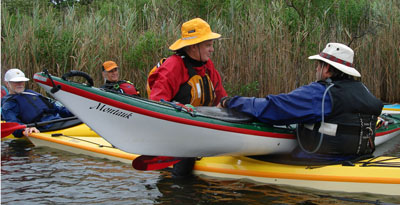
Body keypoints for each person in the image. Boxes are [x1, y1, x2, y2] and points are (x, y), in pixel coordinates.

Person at [220, 43, 383, 162]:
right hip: (359, 158)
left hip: (322, 161)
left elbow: (274, 107)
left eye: (318, 66)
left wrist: (231, 102)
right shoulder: (363, 90)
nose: (315, 69)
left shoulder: (320, 93)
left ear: (326, 69)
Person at [147, 18, 228, 177]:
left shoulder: (207, 65)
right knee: (185, 165)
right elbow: (156, 104)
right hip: (176, 132)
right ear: (193, 46)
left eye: (212, 45)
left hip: (201, 128)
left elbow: (221, 97)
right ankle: (178, 188)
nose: (212, 49)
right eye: (208, 45)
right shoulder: (173, 66)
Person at [2, 68, 75, 138]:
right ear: (7, 83)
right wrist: (24, 129)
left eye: (22, 81)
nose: (20, 84)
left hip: (58, 120)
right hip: (45, 127)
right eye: (16, 82)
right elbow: (13, 124)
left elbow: (57, 109)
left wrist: (75, 112)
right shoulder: (8, 104)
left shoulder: (32, 93)